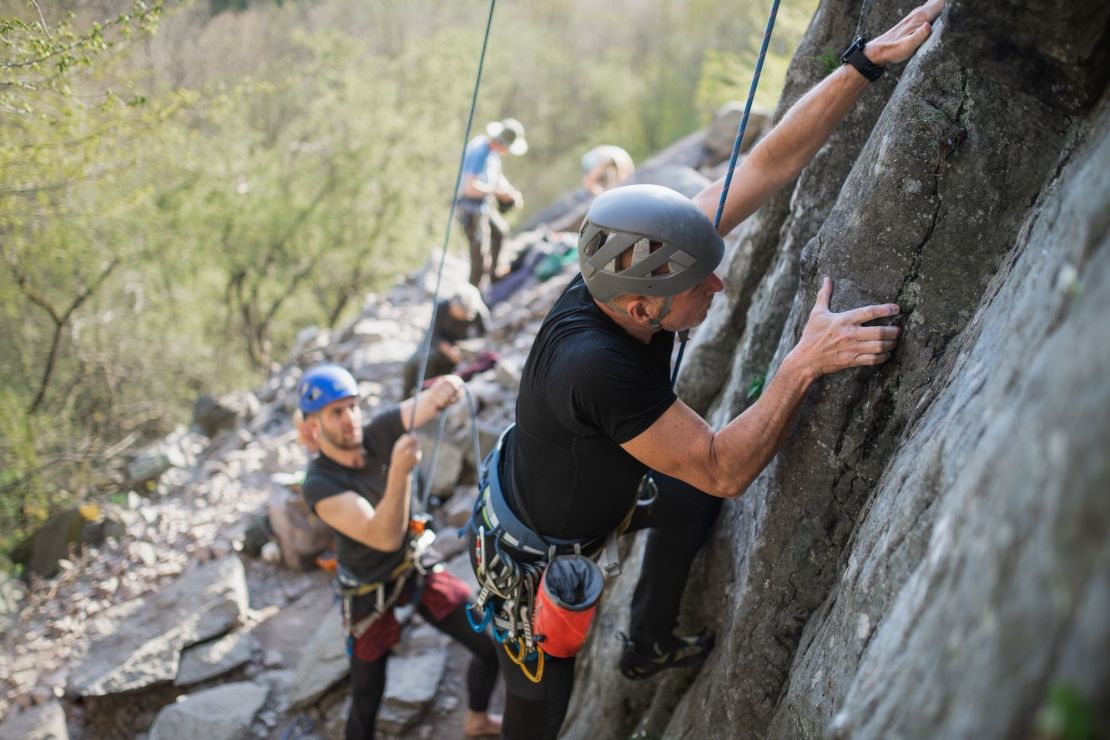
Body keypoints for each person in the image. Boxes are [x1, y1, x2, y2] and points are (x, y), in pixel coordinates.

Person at [465, 3, 944, 738]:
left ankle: (646, 643)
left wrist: (862, 63)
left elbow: (767, 164)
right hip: (539, 559)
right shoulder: (599, 368)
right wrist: (804, 361)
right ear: (642, 308)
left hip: (576, 483)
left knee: (686, 502)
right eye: (700, 286)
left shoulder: (628, 256)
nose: (717, 287)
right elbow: (722, 466)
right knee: (541, 702)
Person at [296, 364, 502, 740]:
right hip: (367, 587)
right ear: (313, 425)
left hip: (413, 564)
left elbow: (422, 406)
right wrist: (400, 473)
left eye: (353, 406)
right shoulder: (319, 484)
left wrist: (445, 389)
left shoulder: (377, 434)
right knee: (367, 694)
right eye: (336, 412)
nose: (350, 419)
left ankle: (477, 719)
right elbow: (383, 535)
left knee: (487, 644)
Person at [457, 118, 527, 288]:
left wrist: (509, 191)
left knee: (500, 232)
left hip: (483, 205)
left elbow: (497, 177)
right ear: (503, 143)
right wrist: (496, 192)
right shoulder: (479, 152)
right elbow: (469, 187)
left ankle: (494, 275)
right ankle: (473, 293)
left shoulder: (493, 152)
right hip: (470, 209)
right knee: (479, 256)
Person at [403, 284, 489, 396]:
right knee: (416, 363)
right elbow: (433, 334)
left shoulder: (478, 314)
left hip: (460, 346)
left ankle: (428, 394)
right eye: (457, 313)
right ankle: (410, 395)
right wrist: (449, 350)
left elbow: (484, 337)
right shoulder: (442, 307)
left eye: (463, 316)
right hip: (438, 342)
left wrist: (465, 349)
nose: (459, 318)